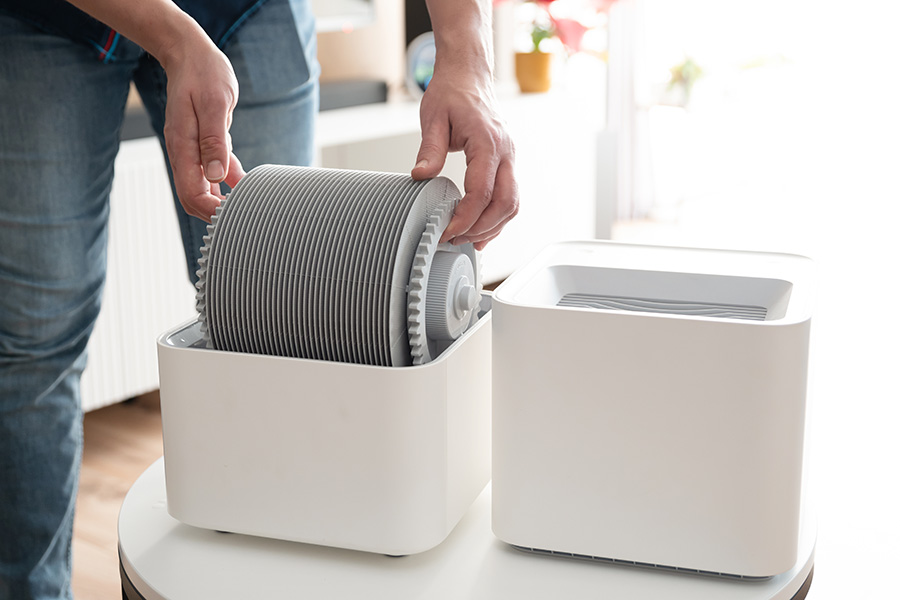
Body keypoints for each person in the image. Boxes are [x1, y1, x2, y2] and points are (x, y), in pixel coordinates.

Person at [0, 0, 518, 597]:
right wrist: (172, 37)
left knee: (296, 309)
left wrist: (465, 50)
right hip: (50, 19)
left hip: (245, 11)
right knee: (34, 337)